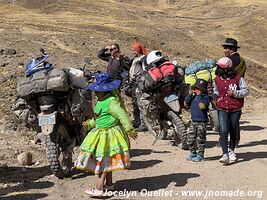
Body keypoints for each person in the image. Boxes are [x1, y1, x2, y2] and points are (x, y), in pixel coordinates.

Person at [74, 72, 138, 197]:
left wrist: (129, 129)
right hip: (100, 133)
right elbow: (99, 118)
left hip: (109, 135)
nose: (95, 92)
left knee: (102, 161)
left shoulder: (111, 101)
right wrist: (90, 124)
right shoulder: (100, 101)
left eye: (97, 90)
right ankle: (109, 185)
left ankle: (99, 188)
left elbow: (122, 115)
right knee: (107, 160)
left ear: (105, 90)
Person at [213, 57, 249, 164]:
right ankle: (225, 154)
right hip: (222, 108)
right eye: (218, 67)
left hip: (235, 108)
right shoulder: (217, 79)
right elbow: (215, 90)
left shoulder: (238, 79)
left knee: (233, 130)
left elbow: (246, 91)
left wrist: (236, 93)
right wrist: (214, 96)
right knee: (223, 130)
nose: (218, 69)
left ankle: (231, 151)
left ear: (228, 68)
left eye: (221, 68)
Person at [222, 38, 247, 146]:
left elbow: (226, 74)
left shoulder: (231, 61)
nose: (224, 50)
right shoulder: (241, 60)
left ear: (232, 49)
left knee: (231, 116)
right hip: (238, 89)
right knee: (234, 115)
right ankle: (235, 139)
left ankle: (233, 141)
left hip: (231, 90)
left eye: (226, 48)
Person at [184, 78, 210, 162]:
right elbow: (185, 104)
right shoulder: (193, 97)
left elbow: (202, 106)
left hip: (202, 122)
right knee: (190, 139)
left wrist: (199, 96)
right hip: (193, 121)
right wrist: (190, 95)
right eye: (195, 88)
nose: (195, 90)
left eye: (197, 89)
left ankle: (200, 155)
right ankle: (193, 153)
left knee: (200, 139)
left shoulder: (205, 97)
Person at [128, 42, 148, 132]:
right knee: (135, 103)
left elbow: (144, 70)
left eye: (133, 50)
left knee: (140, 104)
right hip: (134, 83)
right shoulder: (136, 58)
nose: (132, 52)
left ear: (137, 50)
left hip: (139, 83)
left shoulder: (143, 59)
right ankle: (138, 121)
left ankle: (143, 124)